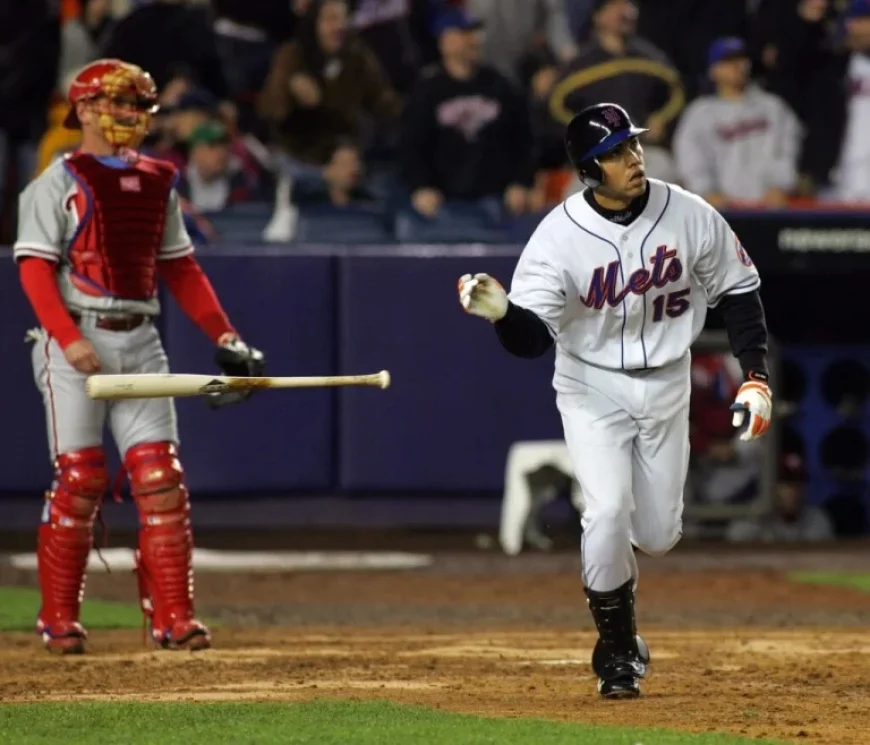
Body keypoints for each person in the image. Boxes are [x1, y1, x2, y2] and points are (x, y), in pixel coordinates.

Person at [456, 102, 773, 698]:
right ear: (589, 170)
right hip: (590, 384)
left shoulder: (688, 212)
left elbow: (739, 290)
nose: (633, 159)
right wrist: (501, 313)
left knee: (657, 536)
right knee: (603, 515)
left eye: (632, 146)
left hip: (668, 379)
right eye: (616, 153)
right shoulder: (557, 236)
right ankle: (619, 653)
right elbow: (529, 342)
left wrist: (754, 375)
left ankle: (624, 627)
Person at [14, 58, 266, 655]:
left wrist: (226, 338)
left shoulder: (158, 179)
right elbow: (34, 269)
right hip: (75, 337)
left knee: (161, 480)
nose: (127, 115)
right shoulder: (55, 182)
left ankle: (173, 618)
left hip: (141, 339)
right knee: (80, 480)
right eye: (116, 104)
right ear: (83, 110)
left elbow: (180, 267)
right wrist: (68, 338)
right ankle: (58, 619)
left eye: (136, 105)